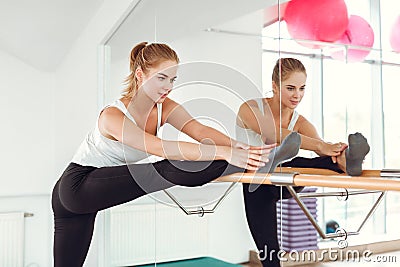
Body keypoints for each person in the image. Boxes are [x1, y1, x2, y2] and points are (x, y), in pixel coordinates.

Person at [51, 42, 282, 267]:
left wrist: (239, 147)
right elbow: (160, 147)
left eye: (172, 79)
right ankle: (252, 163)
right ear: (140, 74)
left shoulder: (165, 106)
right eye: (161, 78)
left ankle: (257, 159)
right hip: (78, 186)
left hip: (77, 194)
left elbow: (199, 130)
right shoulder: (112, 116)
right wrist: (226, 154)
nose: (168, 86)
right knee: (164, 169)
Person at [236, 58, 370, 266]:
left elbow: (323, 152)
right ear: (274, 86)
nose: (297, 95)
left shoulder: (300, 122)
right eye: (290, 88)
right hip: (257, 183)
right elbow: (272, 133)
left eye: (301, 88)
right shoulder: (251, 108)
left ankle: (348, 160)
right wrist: (320, 146)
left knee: (318, 161)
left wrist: (336, 151)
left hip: (285, 181)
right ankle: (280, 157)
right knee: (271, 258)